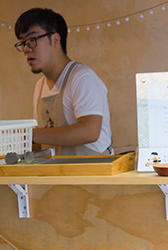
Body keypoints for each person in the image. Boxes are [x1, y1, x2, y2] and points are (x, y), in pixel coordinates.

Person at [14, 8, 112, 156]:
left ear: (55, 40)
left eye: (32, 40)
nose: (26, 49)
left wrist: (30, 135)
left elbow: (90, 131)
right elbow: (42, 141)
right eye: (22, 43)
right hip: (58, 174)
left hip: (91, 173)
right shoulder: (40, 87)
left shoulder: (82, 78)